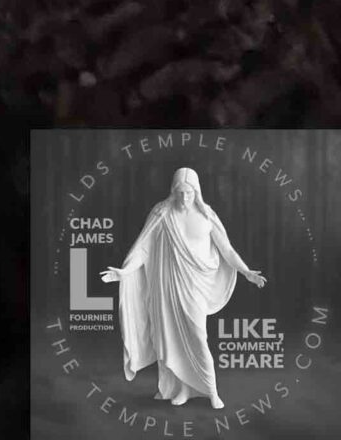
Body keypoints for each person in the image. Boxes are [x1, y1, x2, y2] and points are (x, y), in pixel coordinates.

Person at [102, 167, 267, 410]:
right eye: (180, 192)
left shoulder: (207, 215)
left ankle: (211, 391)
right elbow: (143, 249)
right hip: (168, 287)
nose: (184, 198)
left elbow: (227, 250)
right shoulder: (161, 214)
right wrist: (124, 272)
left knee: (198, 337)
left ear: (196, 192)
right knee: (172, 338)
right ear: (173, 191)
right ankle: (182, 389)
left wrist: (246, 271)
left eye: (189, 193)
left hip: (196, 287)